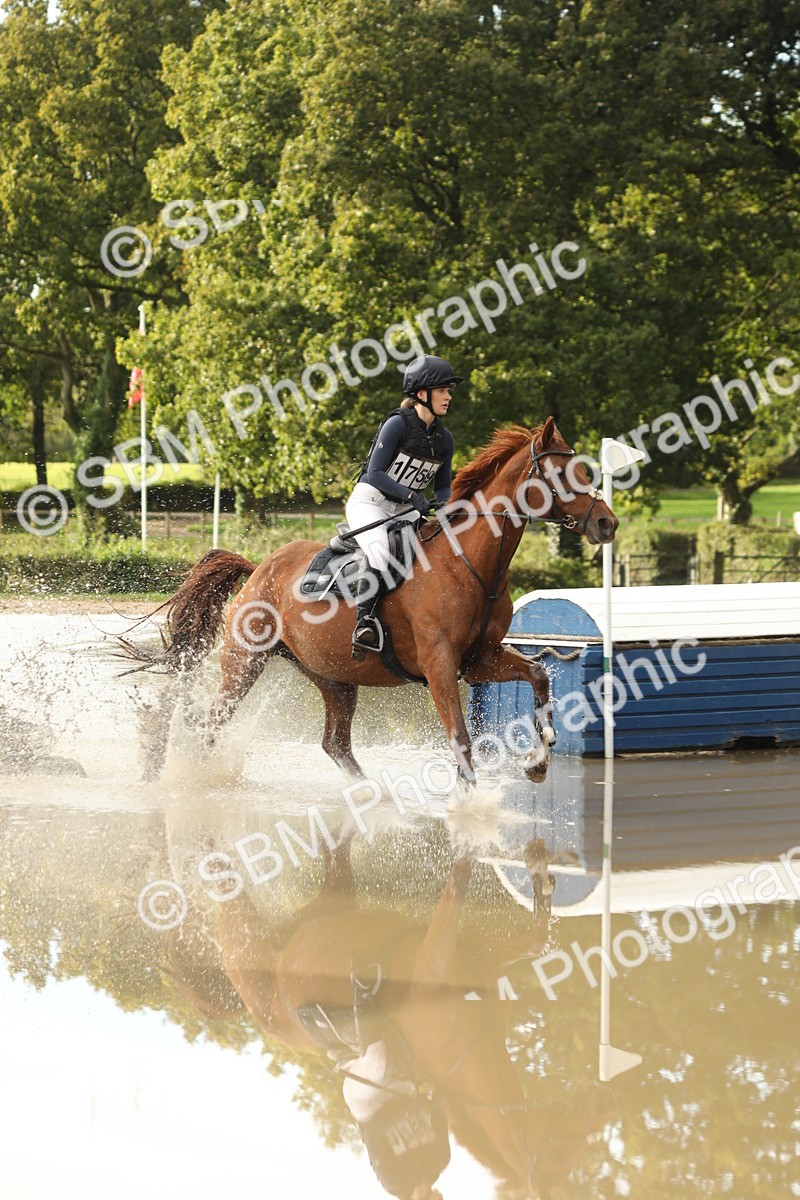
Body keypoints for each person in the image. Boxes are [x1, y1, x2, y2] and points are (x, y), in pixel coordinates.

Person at [345, 354, 462, 658]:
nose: (449, 397)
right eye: (443, 391)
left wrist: (449, 505)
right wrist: (412, 498)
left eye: (449, 391)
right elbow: (375, 473)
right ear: (422, 394)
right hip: (370, 503)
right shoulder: (397, 424)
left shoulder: (444, 439)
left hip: (406, 511)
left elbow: (444, 486)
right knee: (382, 549)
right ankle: (364, 623)